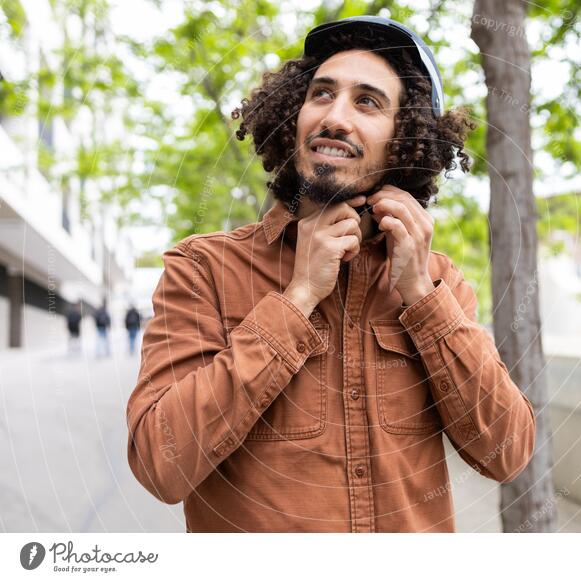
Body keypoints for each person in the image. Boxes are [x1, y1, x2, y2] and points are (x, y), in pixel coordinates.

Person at [126, 16, 535, 533]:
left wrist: (421, 298)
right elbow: (161, 465)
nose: (334, 117)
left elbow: (506, 452)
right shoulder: (202, 269)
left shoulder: (439, 283)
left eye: (367, 101)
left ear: (404, 139)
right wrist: (297, 299)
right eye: (321, 94)